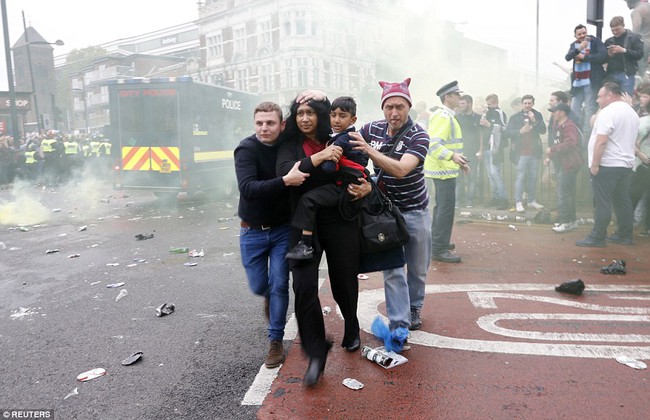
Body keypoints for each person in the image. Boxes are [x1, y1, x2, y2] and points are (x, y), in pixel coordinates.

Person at [277, 95, 370, 386]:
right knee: (303, 287)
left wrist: (367, 185)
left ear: (321, 114)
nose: (304, 118)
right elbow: (285, 173)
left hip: (341, 219)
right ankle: (316, 353)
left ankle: (351, 325)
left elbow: (363, 167)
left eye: (310, 113)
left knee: (343, 279)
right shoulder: (289, 145)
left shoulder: (339, 136)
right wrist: (317, 158)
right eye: (299, 113)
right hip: (303, 226)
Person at [349, 77, 432, 332]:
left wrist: (369, 151)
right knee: (393, 267)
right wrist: (364, 182)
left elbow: (400, 170)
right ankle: (400, 319)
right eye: (389, 107)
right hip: (384, 211)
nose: (394, 113)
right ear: (382, 108)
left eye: (400, 106)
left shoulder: (419, 135)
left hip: (414, 209)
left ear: (409, 107)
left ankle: (415, 305)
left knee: (417, 268)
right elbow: (351, 159)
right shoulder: (370, 130)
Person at [234, 101, 309, 369]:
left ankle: (275, 341)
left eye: (270, 123)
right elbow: (249, 188)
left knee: (280, 285)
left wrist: (313, 96)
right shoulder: (246, 149)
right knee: (259, 286)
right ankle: (272, 298)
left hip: (281, 230)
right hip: (251, 232)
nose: (264, 128)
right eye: (259, 123)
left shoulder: (288, 143)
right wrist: (285, 181)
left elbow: (307, 118)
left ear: (282, 125)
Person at [285, 96, 369, 260]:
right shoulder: (348, 136)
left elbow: (329, 167)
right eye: (333, 115)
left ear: (353, 119)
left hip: (345, 186)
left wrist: (321, 163)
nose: (336, 120)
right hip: (349, 183)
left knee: (308, 200)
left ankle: (305, 244)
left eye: (342, 116)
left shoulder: (343, 138)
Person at [576, 82, 640, 247]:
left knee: (602, 201)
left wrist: (595, 164)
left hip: (608, 164)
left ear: (609, 95)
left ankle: (598, 237)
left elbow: (601, 141)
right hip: (625, 164)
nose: (597, 100)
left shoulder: (608, 112)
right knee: (622, 200)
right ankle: (624, 235)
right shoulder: (631, 112)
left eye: (599, 96)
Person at [425, 81, 469, 263]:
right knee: (445, 209)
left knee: (442, 207)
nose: (460, 97)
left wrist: (456, 158)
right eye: (457, 94)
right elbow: (433, 144)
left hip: (444, 169)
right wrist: (453, 157)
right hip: (443, 170)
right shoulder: (443, 116)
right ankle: (439, 247)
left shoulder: (446, 115)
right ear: (448, 97)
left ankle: (437, 241)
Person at [544, 103, 583, 233]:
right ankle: (571, 221)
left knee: (563, 194)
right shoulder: (558, 125)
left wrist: (552, 149)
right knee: (568, 193)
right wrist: (550, 156)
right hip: (564, 163)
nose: (553, 113)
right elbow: (559, 143)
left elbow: (570, 143)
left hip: (569, 164)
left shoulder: (569, 126)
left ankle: (565, 221)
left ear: (562, 113)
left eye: (555, 111)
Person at [505, 94, 547, 213]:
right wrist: (520, 131)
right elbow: (507, 133)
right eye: (525, 103)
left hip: (534, 152)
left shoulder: (537, 115)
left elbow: (543, 130)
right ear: (522, 104)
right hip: (521, 152)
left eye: (529, 103)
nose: (527, 105)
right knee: (520, 177)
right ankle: (518, 202)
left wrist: (534, 121)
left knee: (533, 177)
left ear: (533, 104)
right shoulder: (515, 117)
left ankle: (531, 200)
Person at [565, 24, 607, 129]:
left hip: (591, 81)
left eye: (584, 33)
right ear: (575, 36)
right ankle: (575, 134)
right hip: (578, 83)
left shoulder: (595, 41)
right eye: (579, 34)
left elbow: (603, 57)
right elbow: (568, 57)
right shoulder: (574, 45)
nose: (582, 35)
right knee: (574, 110)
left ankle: (586, 139)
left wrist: (585, 57)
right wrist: (579, 49)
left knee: (589, 109)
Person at [480, 94, 509, 210]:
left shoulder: (499, 112)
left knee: (495, 173)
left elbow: (504, 128)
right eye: (487, 105)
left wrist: (490, 125)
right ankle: (495, 197)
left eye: (490, 104)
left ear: (495, 103)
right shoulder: (486, 113)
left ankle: (503, 199)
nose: (488, 107)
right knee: (490, 174)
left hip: (496, 147)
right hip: (487, 147)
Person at [604, 16, 644, 96]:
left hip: (627, 74)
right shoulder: (608, 41)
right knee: (610, 99)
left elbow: (639, 54)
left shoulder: (634, 38)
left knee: (626, 98)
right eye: (612, 30)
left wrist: (624, 50)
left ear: (623, 25)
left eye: (617, 29)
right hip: (611, 74)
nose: (615, 32)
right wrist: (608, 55)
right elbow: (602, 59)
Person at [455, 94, 483, 208]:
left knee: (472, 177)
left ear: (470, 103)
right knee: (459, 178)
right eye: (460, 103)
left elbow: (481, 134)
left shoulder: (478, 117)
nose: (460, 105)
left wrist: (481, 149)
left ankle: (469, 201)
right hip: (460, 151)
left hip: (473, 151)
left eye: (463, 103)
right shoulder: (457, 117)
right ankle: (457, 201)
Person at [629, 81, 650, 236]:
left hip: (642, 164)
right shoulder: (641, 119)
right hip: (642, 164)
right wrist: (639, 153)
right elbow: (632, 141)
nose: (642, 99)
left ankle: (633, 226)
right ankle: (630, 225)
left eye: (645, 96)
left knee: (638, 196)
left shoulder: (642, 120)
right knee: (634, 195)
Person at [626, 0, 650, 75]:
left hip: (644, 44)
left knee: (642, 70)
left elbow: (636, 29)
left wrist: (628, 42)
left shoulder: (636, 11)